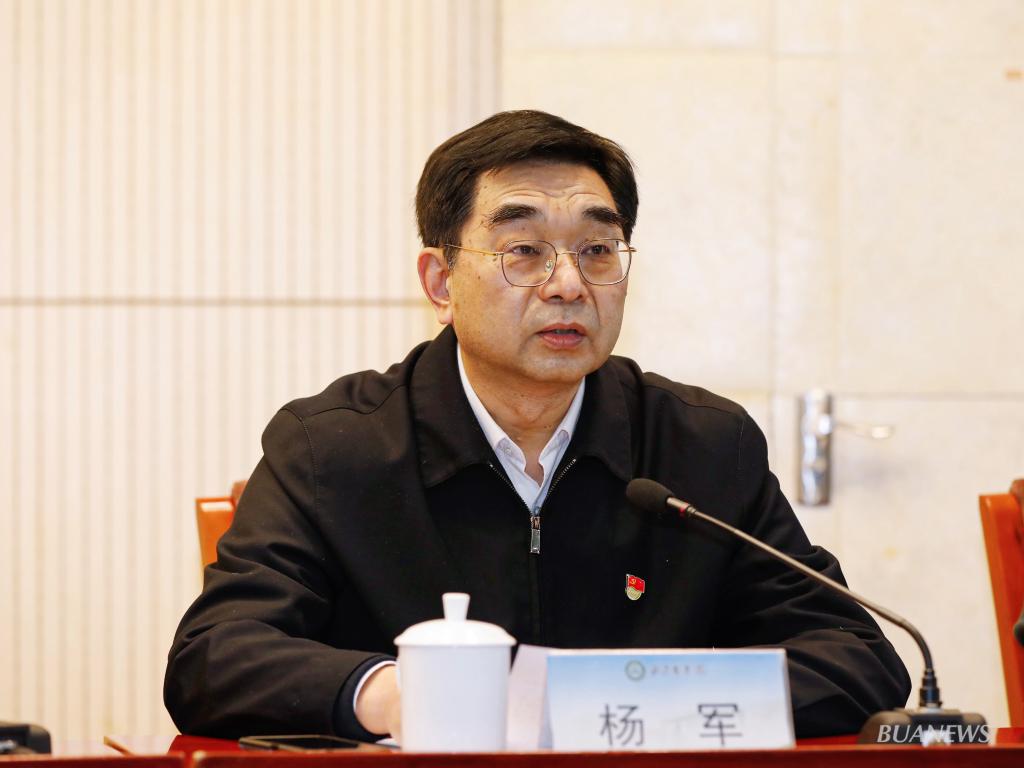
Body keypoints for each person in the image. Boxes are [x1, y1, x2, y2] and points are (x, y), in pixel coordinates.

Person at [164, 110, 910, 742]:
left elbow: (856, 658)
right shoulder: (333, 448)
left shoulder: (701, 446)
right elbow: (213, 657)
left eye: (597, 250)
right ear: (440, 283)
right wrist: (401, 696)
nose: (568, 284)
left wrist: (629, 706)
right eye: (523, 251)